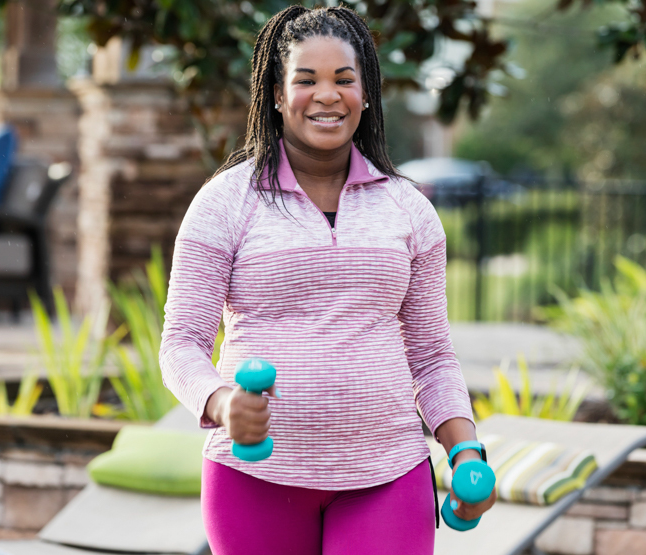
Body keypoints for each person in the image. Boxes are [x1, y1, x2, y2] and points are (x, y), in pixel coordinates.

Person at [159, 5, 495, 554]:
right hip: (255, 480)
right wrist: (222, 404)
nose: (327, 95)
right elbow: (181, 345)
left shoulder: (409, 210)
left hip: (388, 470)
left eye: (344, 79)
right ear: (274, 92)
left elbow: (431, 355)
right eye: (305, 79)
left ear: (366, 94)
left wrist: (466, 451)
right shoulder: (224, 203)